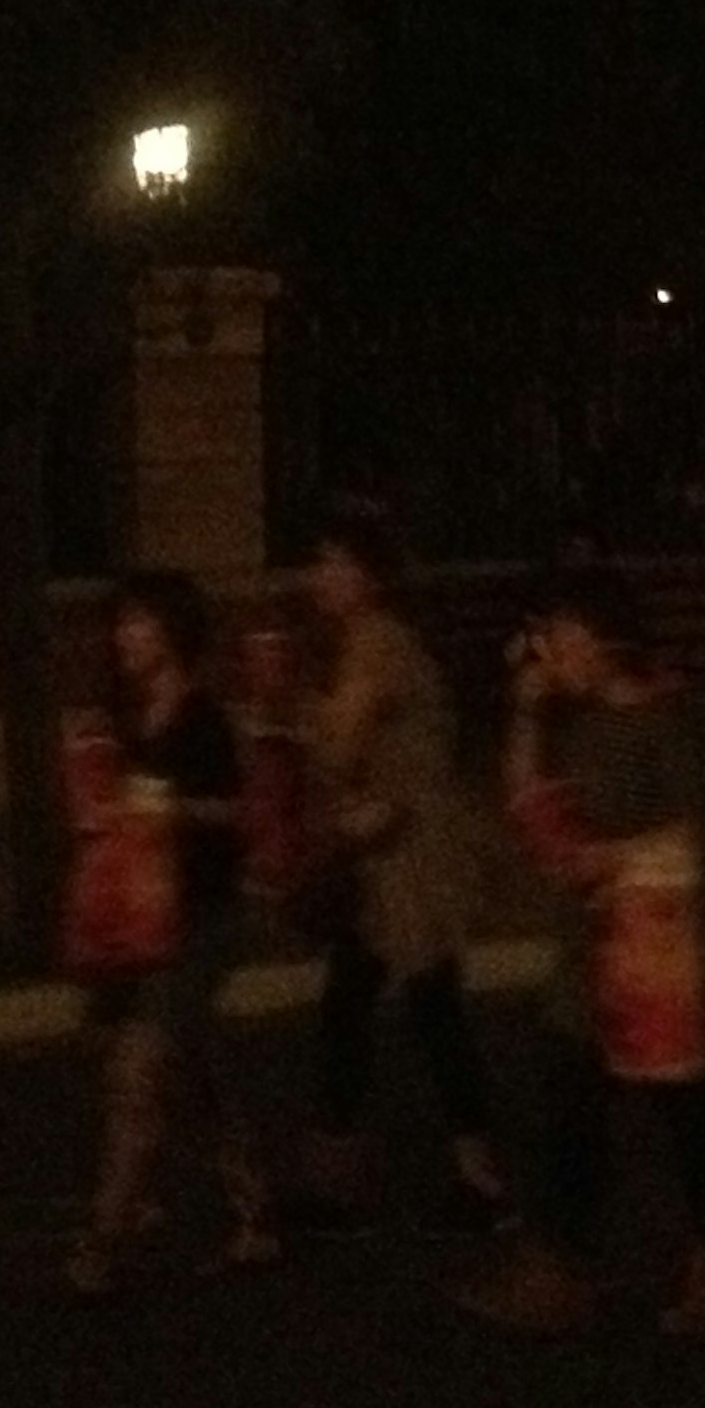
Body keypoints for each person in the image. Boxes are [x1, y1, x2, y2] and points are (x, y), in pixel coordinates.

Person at [464, 566, 705, 1338]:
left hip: (662, 957)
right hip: (589, 957)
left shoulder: (667, 721)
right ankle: (558, 1269)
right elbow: (531, 805)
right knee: (565, 1112)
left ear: (594, 637)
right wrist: (525, 711)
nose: (546, 652)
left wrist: (611, 861)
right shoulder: (580, 721)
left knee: (687, 1115)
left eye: (556, 635)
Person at [61, 572, 277, 1298]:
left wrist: (173, 809)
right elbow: (106, 806)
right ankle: (253, 1208)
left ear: (174, 634)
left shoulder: (204, 719)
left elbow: (243, 814)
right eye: (120, 622)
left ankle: (102, 1242)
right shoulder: (123, 715)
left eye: (139, 624)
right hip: (129, 920)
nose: (124, 636)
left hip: (200, 918)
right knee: (183, 1059)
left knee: (140, 1071)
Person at [292, 505, 506, 1228]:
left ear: (369, 577)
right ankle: (364, 1170)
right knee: (377, 1004)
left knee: (421, 1007)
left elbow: (339, 748)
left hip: (409, 858)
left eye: (332, 562)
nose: (316, 577)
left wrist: (284, 707)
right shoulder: (372, 641)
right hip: (394, 850)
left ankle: (470, 1178)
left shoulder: (375, 643)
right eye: (316, 560)